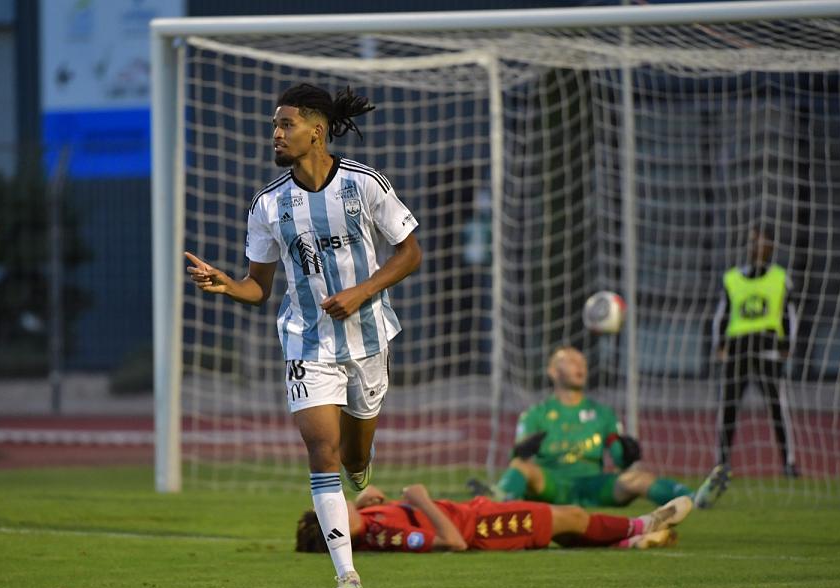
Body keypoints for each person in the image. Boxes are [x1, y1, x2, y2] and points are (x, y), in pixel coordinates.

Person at [186, 83, 421, 588]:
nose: (275, 133)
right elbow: (259, 287)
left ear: (316, 131)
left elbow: (410, 253)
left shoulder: (364, 186)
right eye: (274, 124)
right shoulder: (268, 204)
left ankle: (362, 464)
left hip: (368, 339)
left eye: (285, 124)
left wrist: (362, 291)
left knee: (356, 456)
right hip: (304, 342)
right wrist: (227, 283)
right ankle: (348, 577)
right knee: (323, 452)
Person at [468, 347, 729, 509]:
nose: (580, 366)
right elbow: (519, 456)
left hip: (593, 484)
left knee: (636, 478)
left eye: (582, 361)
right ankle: (498, 500)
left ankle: (695, 498)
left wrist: (626, 454)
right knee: (521, 468)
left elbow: (618, 460)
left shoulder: (603, 414)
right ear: (552, 370)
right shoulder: (536, 414)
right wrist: (521, 450)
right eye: (570, 361)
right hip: (551, 483)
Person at [297, 483, 692, 553]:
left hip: (477, 514)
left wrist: (366, 499)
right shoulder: (385, 537)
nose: (340, 502)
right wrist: (424, 502)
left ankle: (625, 542)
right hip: (482, 529)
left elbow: (370, 513)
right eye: (333, 510)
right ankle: (643, 524)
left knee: (562, 528)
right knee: (569, 516)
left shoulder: (368, 520)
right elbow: (454, 542)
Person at [712, 224, 799, 477]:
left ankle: (788, 463)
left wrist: (787, 346)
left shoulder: (781, 278)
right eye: (753, 241)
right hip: (738, 349)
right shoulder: (732, 278)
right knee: (728, 406)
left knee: (777, 407)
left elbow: (789, 315)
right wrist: (720, 345)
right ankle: (721, 465)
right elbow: (722, 314)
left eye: (762, 241)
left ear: (771, 246)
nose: (757, 246)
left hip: (768, 350)